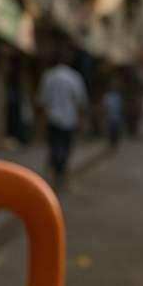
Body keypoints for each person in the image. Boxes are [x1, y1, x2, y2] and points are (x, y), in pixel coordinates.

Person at [37, 49, 88, 186]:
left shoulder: (49, 76)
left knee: (54, 146)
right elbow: (81, 102)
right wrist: (80, 121)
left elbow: (42, 101)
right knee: (64, 147)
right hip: (68, 120)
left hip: (53, 119)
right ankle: (60, 174)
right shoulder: (74, 77)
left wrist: (41, 122)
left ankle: (56, 174)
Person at [103, 81, 124, 149]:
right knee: (111, 130)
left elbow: (120, 107)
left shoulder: (117, 96)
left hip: (116, 117)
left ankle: (115, 143)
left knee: (115, 130)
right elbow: (105, 107)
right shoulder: (107, 96)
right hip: (110, 116)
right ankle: (111, 143)